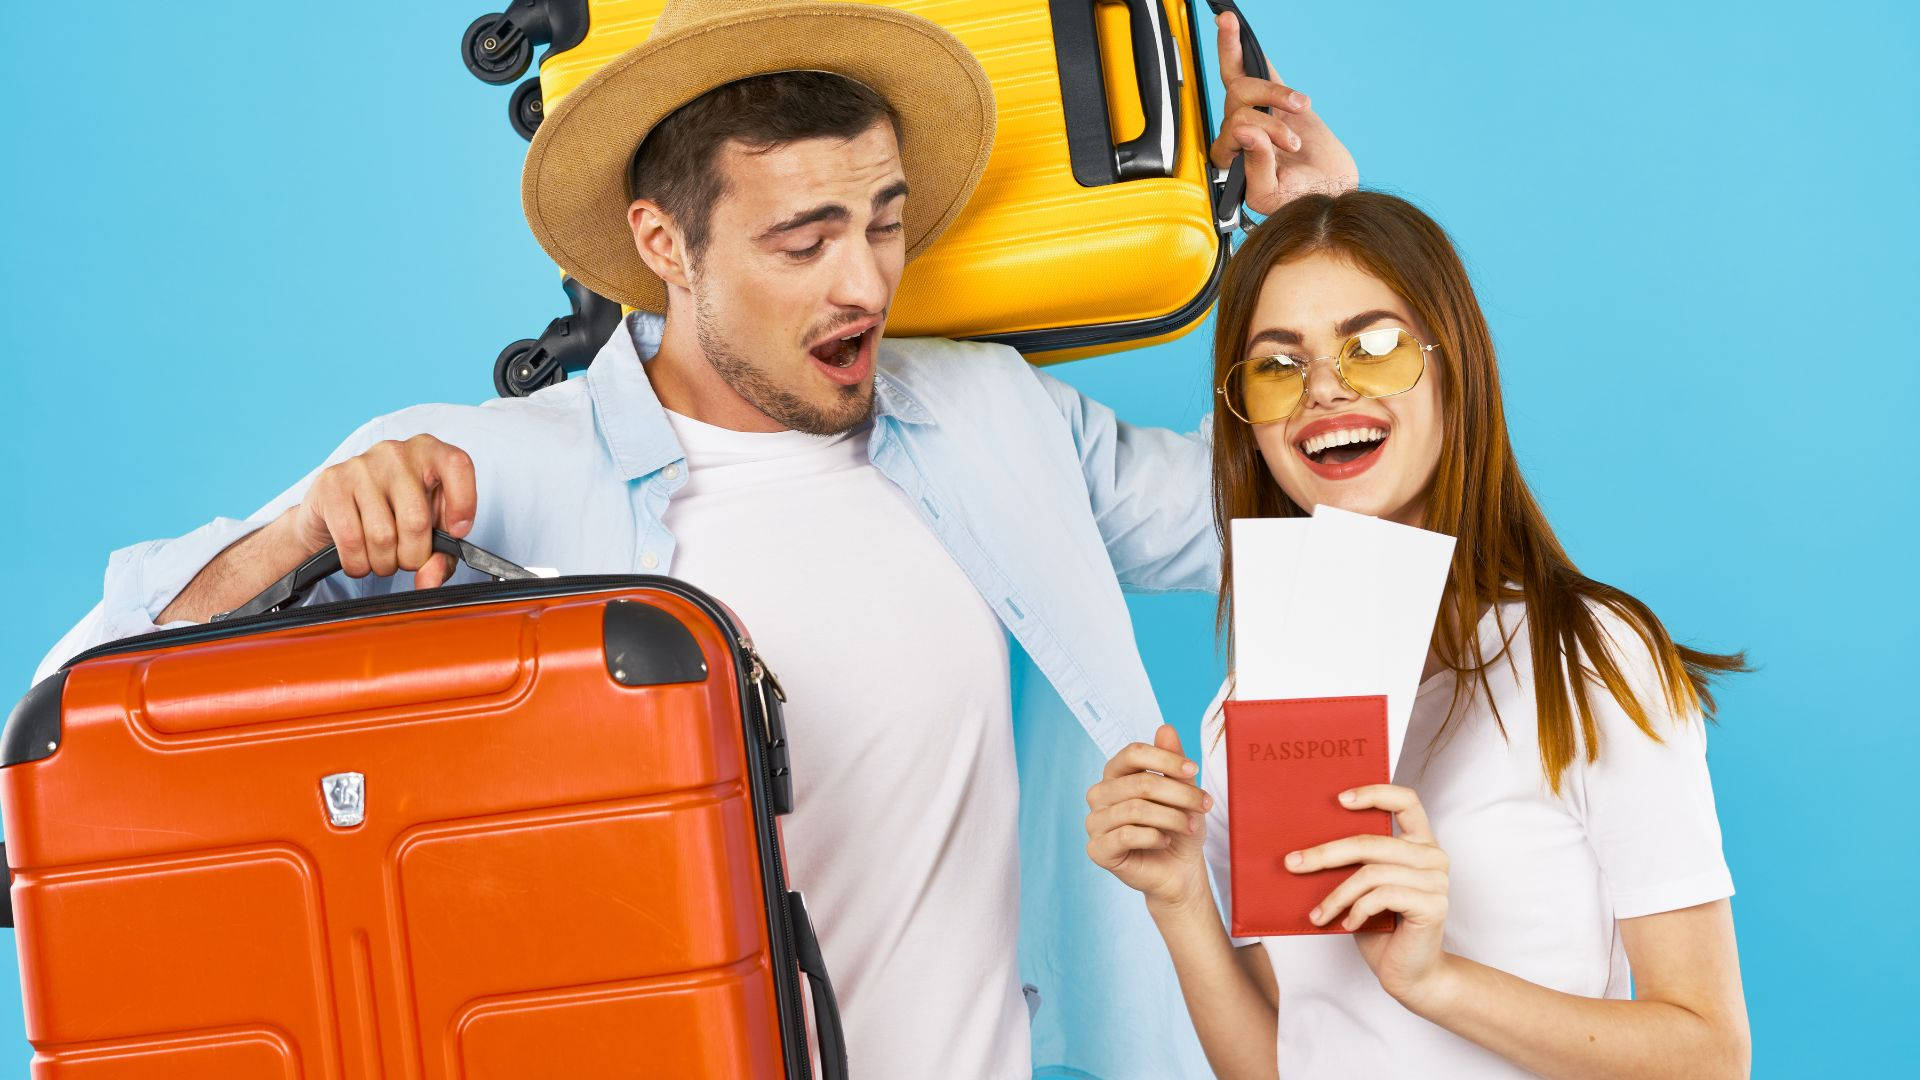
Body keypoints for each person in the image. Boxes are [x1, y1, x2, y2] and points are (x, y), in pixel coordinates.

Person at [32, 1, 1354, 1076]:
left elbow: (1329, 523)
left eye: (885, 221)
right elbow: (63, 743)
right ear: (663, 242)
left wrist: (1327, 242)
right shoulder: (482, 470)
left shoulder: (990, 415)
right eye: (803, 239)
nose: (865, 284)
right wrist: (291, 551)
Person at [1084, 191, 1752, 1078]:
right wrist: (1177, 896)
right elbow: (1286, 1060)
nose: (1325, 389)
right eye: (1278, 366)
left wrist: (1437, 980)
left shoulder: (1589, 658)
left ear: (1453, 368)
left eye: (1374, 347)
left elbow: (1711, 1055)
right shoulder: (1253, 704)